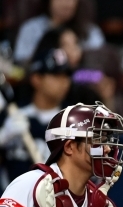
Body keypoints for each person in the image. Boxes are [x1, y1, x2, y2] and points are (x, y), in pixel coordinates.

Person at [0, 48, 72, 182]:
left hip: (53, 199)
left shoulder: (74, 120)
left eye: (66, 75)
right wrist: (3, 135)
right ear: (36, 79)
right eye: (56, 75)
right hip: (9, 197)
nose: (63, 82)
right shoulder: (13, 114)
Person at [13, 0, 105, 65]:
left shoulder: (90, 31)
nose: (66, 3)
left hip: (81, 82)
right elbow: (21, 65)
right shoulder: (30, 28)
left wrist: (81, 60)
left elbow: (100, 69)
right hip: (44, 82)